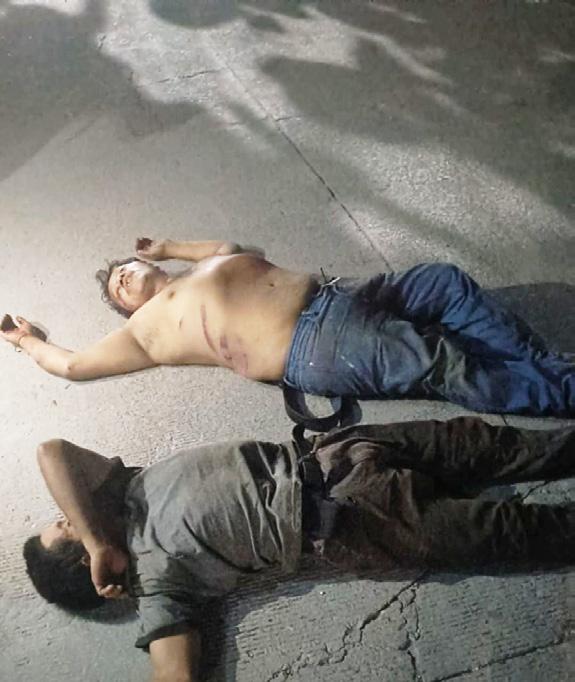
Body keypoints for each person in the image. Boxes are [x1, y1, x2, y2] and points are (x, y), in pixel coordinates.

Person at [24, 417, 575, 681]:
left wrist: (94, 537)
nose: (67, 514)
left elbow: (51, 451)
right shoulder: (158, 584)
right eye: (63, 528)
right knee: (521, 532)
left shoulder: (125, 489)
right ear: (84, 567)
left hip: (334, 450)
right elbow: (175, 677)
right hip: (356, 521)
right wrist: (110, 557)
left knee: (499, 444)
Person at [2, 238, 574, 416]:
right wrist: (27, 341)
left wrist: (172, 245)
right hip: (313, 344)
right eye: (118, 288)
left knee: (443, 283)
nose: (125, 277)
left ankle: (542, 368)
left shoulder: (203, 267)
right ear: (126, 311)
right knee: (446, 363)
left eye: (126, 268)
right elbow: (73, 366)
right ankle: (563, 386)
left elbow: (233, 245)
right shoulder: (146, 331)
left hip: (340, 294)